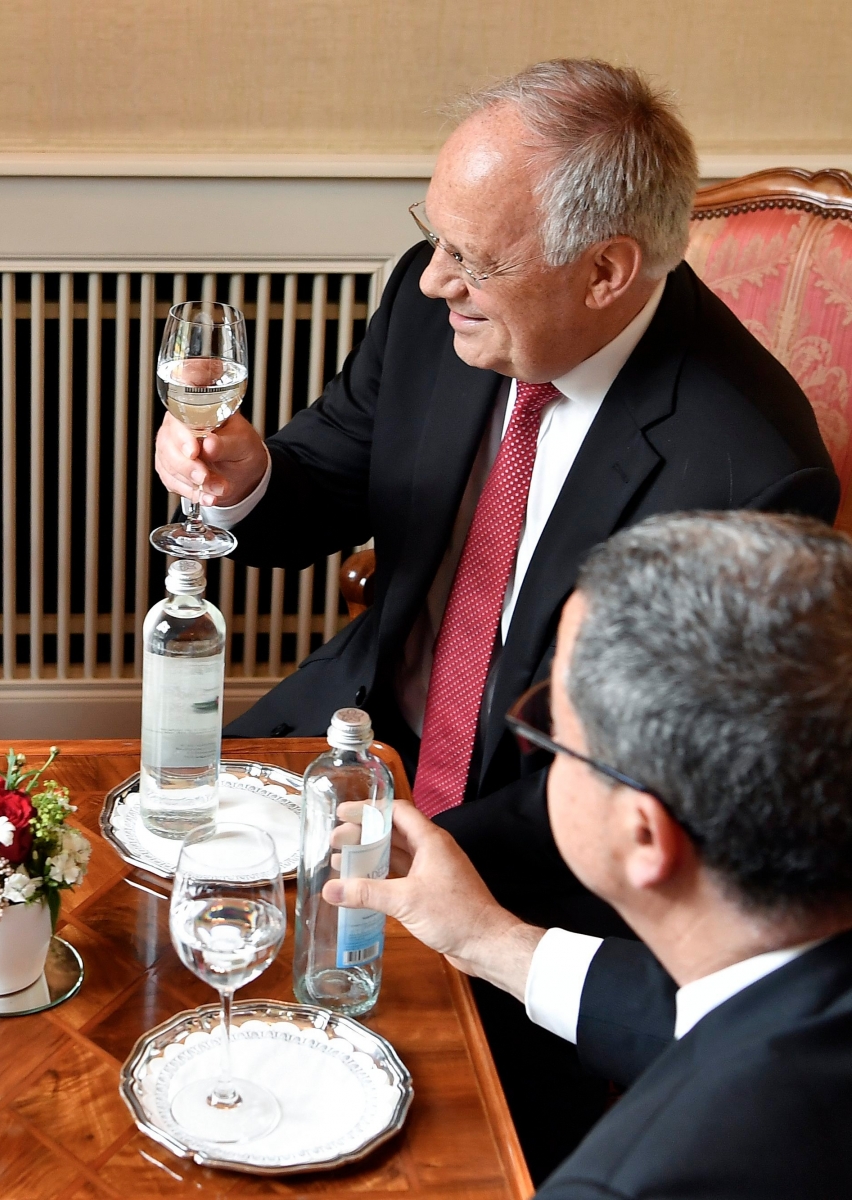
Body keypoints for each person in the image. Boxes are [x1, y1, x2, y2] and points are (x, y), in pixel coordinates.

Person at [154, 59, 838, 1170]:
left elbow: (670, 781)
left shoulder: (748, 464)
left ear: (609, 270)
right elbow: (332, 470)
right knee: (155, 911)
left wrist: (377, 861)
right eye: (439, 238)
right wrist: (243, 479)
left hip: (537, 842)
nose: (436, 281)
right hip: (354, 727)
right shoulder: (441, 309)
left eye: (474, 260)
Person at [330, 511, 852, 1197]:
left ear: (644, 835)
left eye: (553, 730)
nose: (542, 743)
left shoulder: (630, 1183)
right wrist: (491, 939)